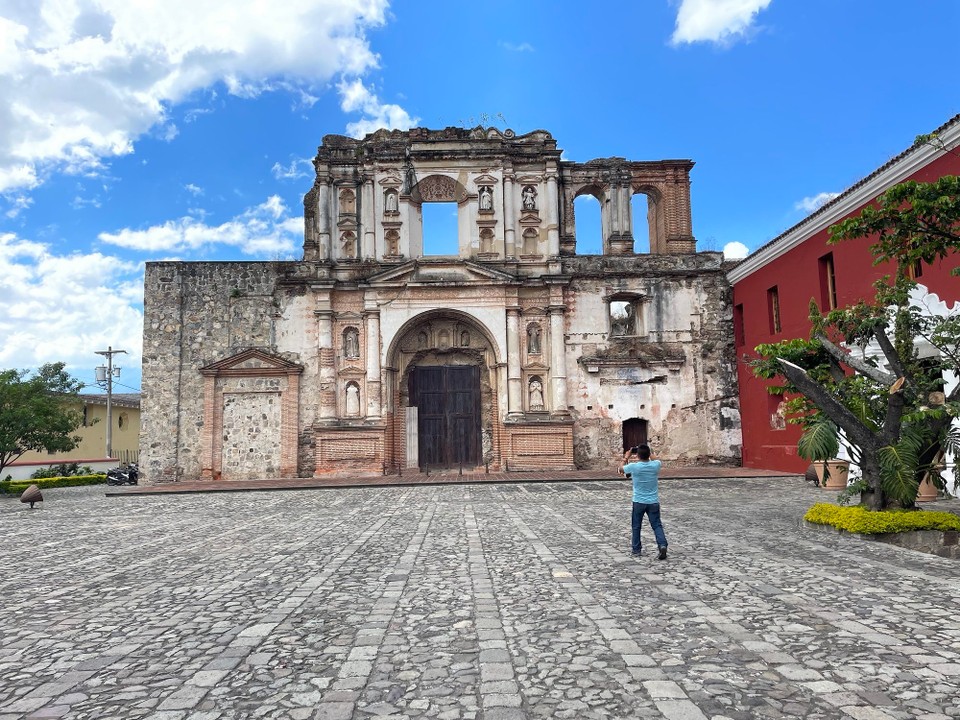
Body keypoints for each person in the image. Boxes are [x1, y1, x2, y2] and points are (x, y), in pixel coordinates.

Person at [619, 444, 668, 560]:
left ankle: (636, 549)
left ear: (638, 455)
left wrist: (626, 457)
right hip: (653, 501)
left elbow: (621, 469)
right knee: (656, 525)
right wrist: (648, 452)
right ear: (648, 454)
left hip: (638, 501)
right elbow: (657, 459)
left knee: (636, 526)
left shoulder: (634, 467)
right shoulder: (655, 465)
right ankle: (662, 544)